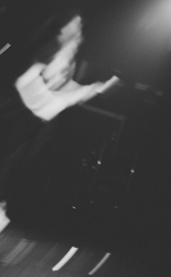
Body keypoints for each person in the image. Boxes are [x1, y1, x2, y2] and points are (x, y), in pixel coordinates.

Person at [0, 12, 119, 232]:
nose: (80, 26)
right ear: (62, 27)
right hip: (21, 113)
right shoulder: (50, 46)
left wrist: (91, 89)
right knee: (7, 160)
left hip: (39, 119)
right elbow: (25, 81)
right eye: (76, 23)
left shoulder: (70, 53)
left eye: (80, 24)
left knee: (19, 165)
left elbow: (65, 85)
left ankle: (2, 206)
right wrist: (57, 100)